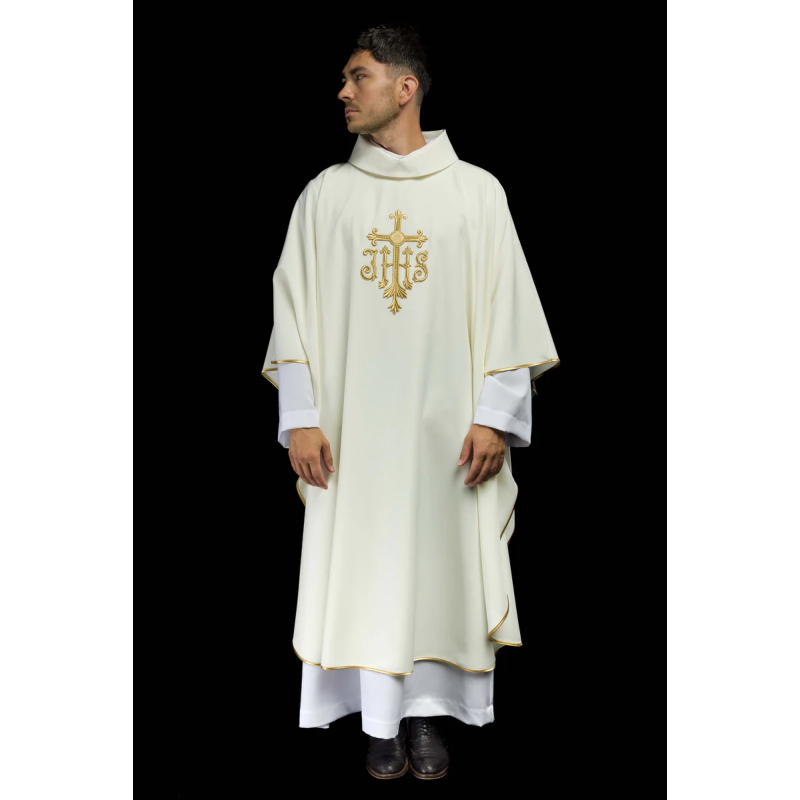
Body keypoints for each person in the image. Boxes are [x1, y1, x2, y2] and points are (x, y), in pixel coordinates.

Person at [262, 24, 559, 780]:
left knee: (438, 568)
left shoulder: (476, 193)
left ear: (406, 87)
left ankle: (427, 716)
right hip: (351, 434)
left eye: (357, 76)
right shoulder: (326, 196)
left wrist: (495, 416)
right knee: (366, 568)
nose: (342, 92)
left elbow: (508, 309)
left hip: (446, 433)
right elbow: (291, 311)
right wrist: (301, 418)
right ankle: (379, 726)